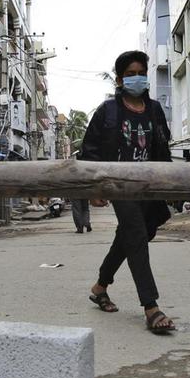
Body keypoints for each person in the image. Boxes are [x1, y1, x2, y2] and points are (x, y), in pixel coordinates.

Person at [79, 50, 175, 334]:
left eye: (140, 73)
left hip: (148, 186)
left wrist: (169, 185)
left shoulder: (155, 109)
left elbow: (162, 148)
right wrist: (94, 188)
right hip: (119, 185)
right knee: (135, 235)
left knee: (132, 236)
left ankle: (100, 287)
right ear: (120, 80)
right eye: (130, 74)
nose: (136, 78)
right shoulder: (107, 110)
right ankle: (151, 307)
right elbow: (90, 150)